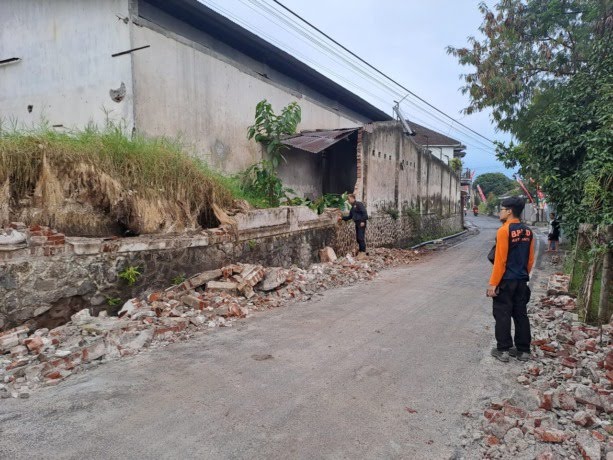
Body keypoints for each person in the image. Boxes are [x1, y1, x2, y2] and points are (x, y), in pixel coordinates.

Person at [487, 196, 535, 363]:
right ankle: (523, 351)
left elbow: (500, 260)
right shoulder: (528, 231)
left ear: (509, 211)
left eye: (501, 209)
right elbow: (530, 260)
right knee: (520, 314)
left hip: (506, 280)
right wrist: (522, 275)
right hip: (521, 280)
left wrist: (493, 284)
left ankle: (503, 350)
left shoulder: (503, 231)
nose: (500, 212)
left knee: (502, 314)